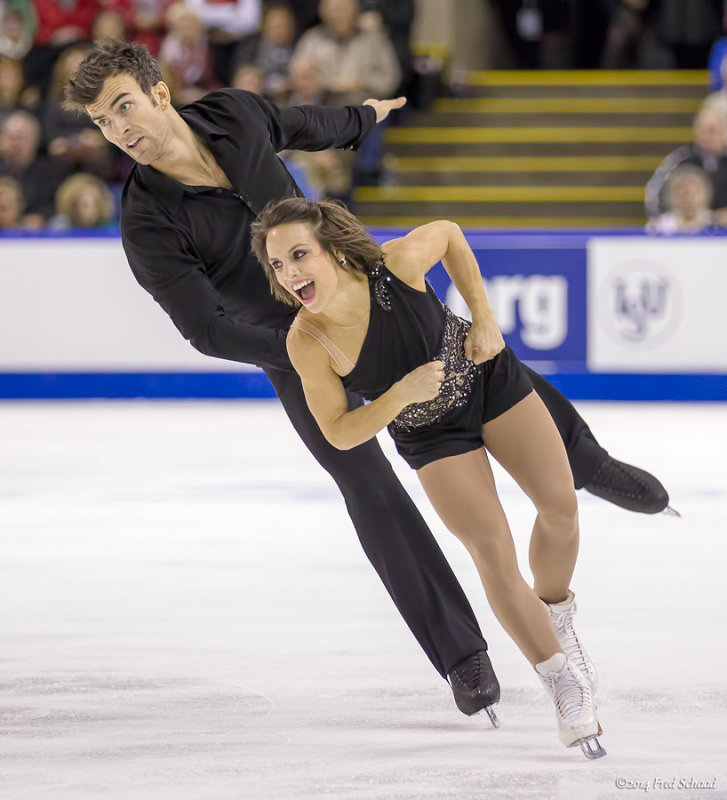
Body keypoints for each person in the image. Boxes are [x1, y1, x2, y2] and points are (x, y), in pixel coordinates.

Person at [63, 39, 670, 726]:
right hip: (293, 351)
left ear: (159, 94)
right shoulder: (145, 220)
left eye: (123, 108)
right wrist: (312, 350)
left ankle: (584, 462)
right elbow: (204, 327)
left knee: (466, 355)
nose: (118, 129)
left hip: (354, 289)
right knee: (364, 481)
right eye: (102, 122)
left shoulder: (233, 115)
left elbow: (301, 123)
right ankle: (460, 655)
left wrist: (363, 117)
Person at [250, 197, 605, 757]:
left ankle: (556, 611)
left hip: (489, 380)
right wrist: (398, 396)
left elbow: (450, 233)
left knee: (561, 509)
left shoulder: (394, 266)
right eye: (277, 264)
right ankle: (562, 681)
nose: (290, 273)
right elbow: (340, 433)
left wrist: (485, 319)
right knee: (493, 554)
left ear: (334, 251)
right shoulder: (307, 341)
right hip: (430, 435)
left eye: (298, 254)